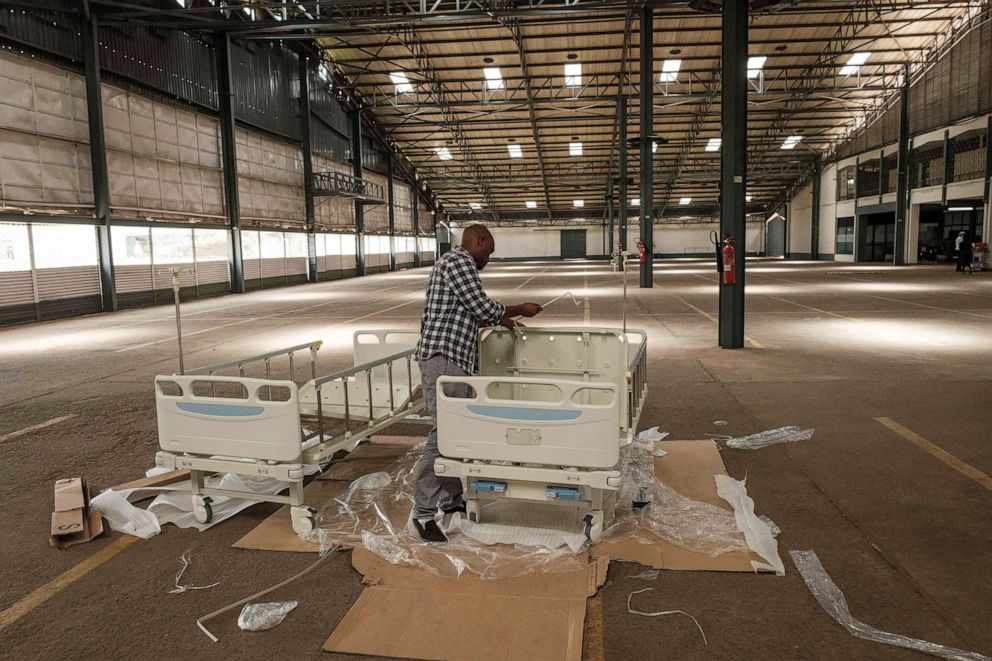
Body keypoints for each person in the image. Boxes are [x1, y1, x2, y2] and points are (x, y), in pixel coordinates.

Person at [408, 224, 543, 542]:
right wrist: (519, 309)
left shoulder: (455, 263)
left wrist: (500, 319)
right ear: (478, 241)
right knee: (443, 435)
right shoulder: (459, 262)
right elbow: (480, 305)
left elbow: (465, 311)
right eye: (489, 250)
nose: (488, 258)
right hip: (443, 357)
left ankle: (450, 500)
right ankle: (422, 514)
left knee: (456, 434)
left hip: (455, 358)